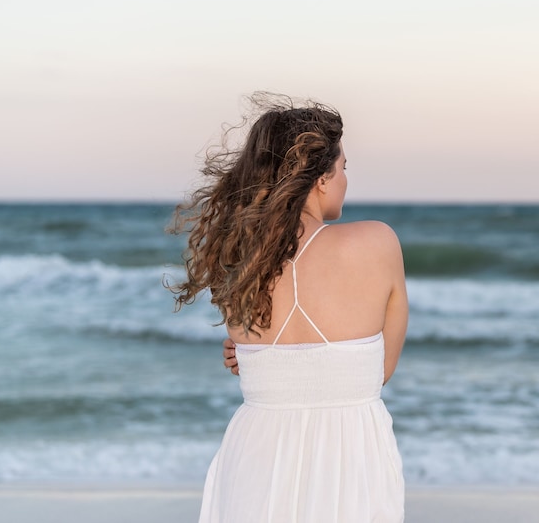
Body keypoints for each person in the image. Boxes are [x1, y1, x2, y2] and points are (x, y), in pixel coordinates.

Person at [168, 94, 408, 522]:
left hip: (255, 452)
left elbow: (271, 358)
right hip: (349, 456)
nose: (345, 180)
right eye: (343, 167)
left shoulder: (236, 261)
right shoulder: (377, 242)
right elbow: (377, 372)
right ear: (319, 178)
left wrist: (254, 357)